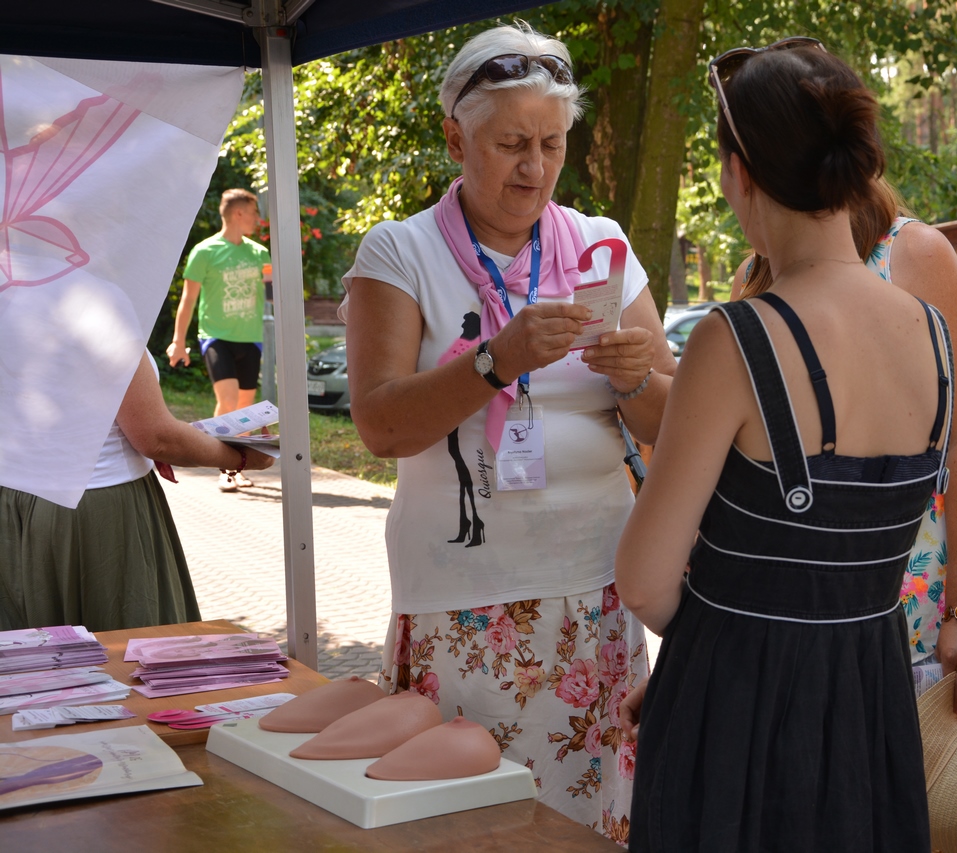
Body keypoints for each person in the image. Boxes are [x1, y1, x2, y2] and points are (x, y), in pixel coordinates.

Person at [338, 24, 676, 842]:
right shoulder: (401, 251)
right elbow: (381, 424)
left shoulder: (602, 248)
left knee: (587, 821)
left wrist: (634, 374)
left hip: (594, 594)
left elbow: (673, 423)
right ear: (456, 137)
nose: (535, 169)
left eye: (552, 144)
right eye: (511, 144)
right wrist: (496, 360)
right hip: (463, 599)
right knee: (470, 821)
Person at [615, 39, 951, 851]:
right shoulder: (934, 331)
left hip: (734, 705)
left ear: (740, 172)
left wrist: (714, 640)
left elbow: (644, 577)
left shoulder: (737, 337)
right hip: (872, 697)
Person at [729, 189, 957, 713]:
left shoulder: (913, 253)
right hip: (777, 604)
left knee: (893, 788)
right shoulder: (756, 272)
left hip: (898, 604)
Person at [0, 351, 274, 632]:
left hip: (13, 503)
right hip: (98, 511)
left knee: (34, 653)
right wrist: (241, 458)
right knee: (125, 647)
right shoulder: (101, 317)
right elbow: (156, 438)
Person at [166, 188, 271, 493]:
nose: (257, 219)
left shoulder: (259, 253)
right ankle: (224, 468)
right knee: (227, 401)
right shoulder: (205, 251)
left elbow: (275, 293)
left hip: (250, 340)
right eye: (253, 213)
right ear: (238, 213)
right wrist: (178, 341)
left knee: (245, 408)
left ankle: (239, 466)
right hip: (215, 337)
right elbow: (187, 300)